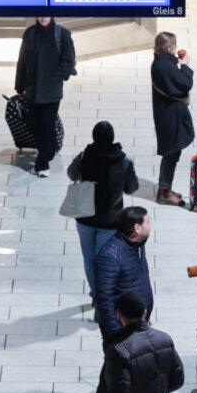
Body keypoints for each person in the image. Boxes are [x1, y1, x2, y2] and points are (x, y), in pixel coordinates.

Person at [92, 293, 184, 393]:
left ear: (118, 315)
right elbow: (178, 379)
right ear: (145, 313)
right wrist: (154, 391)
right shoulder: (164, 339)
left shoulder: (118, 350)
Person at [67, 124, 140, 312]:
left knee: (89, 259)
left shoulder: (85, 156)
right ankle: (103, 298)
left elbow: (71, 174)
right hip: (110, 220)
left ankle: (96, 295)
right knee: (104, 261)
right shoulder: (123, 160)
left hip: (84, 216)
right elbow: (132, 188)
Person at [15, 13, 76, 173]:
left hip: (51, 91)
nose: (43, 17)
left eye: (46, 14)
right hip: (32, 89)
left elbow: (68, 60)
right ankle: (48, 149)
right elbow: (22, 60)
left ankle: (43, 163)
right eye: (40, 14)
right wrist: (20, 85)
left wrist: (59, 76)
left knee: (47, 124)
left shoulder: (61, 34)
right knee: (34, 123)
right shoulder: (30, 33)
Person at [92, 204, 154, 337]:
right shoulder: (110, 256)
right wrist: (117, 332)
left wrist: (144, 317)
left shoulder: (138, 243)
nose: (150, 225)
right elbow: (104, 299)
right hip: (123, 332)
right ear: (137, 228)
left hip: (138, 323)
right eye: (148, 221)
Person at [150, 32, 195, 205]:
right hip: (170, 116)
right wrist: (184, 65)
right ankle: (164, 192)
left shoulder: (161, 61)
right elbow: (184, 84)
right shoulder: (164, 66)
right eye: (174, 47)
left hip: (166, 113)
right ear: (169, 48)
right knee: (171, 153)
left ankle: (166, 187)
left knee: (172, 152)